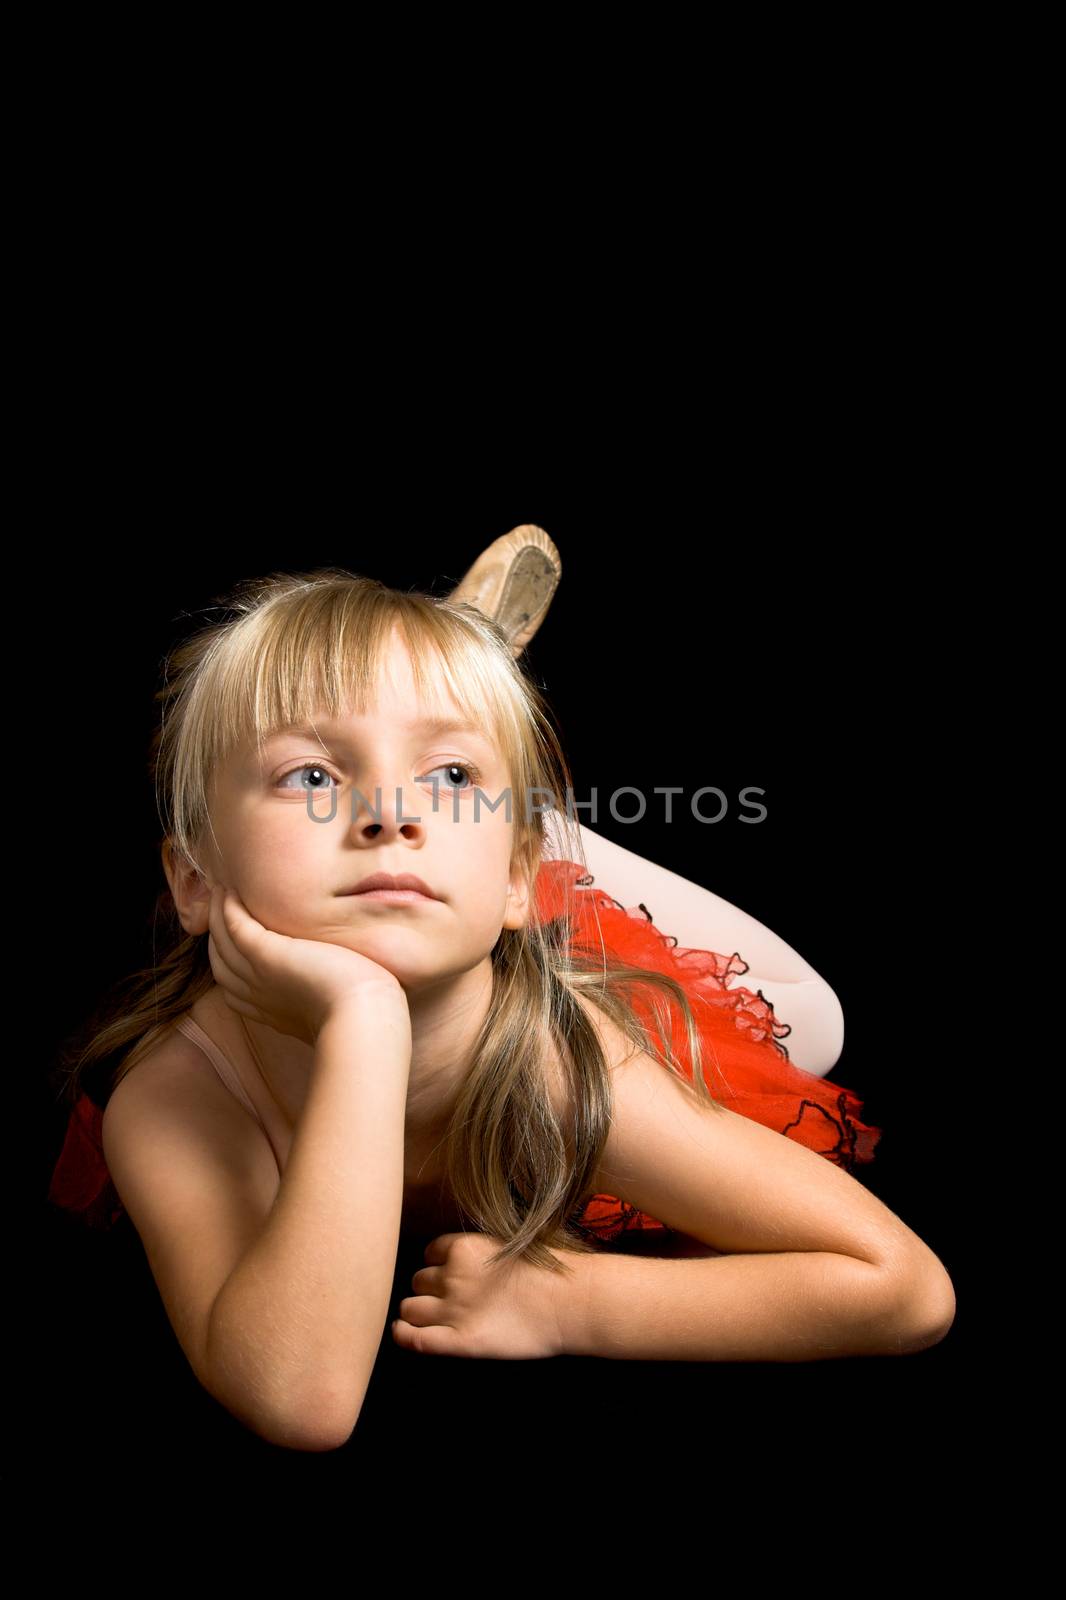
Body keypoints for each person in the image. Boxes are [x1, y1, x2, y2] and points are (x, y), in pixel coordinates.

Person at [46, 552, 955, 1449]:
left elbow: (907, 1289)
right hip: (467, 888)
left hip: (538, 918)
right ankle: (483, 772)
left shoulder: (556, 1054)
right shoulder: (179, 1094)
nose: (387, 811)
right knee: (449, 850)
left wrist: (578, 1303)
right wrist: (365, 1023)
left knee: (813, 1024)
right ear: (193, 881)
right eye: (312, 777)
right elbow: (300, 1402)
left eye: (442, 778)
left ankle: (545, 828)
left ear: (522, 884)